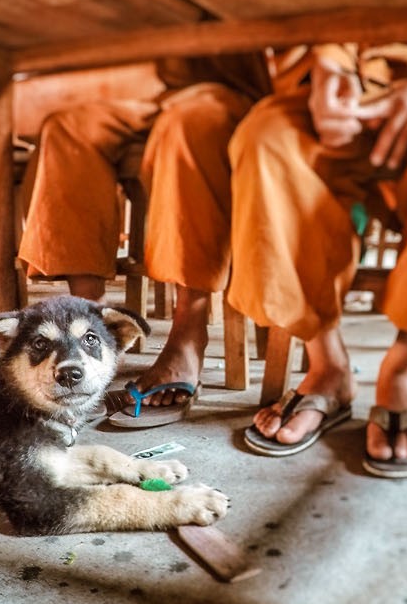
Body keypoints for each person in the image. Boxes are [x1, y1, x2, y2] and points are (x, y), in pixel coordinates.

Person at [230, 43, 407, 478]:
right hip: (355, 79)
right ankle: (327, 364)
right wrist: (327, 65)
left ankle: (402, 373)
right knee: (267, 136)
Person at [17, 52, 273, 426]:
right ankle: (91, 329)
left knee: (188, 124)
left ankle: (188, 335)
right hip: (152, 87)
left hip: (228, 83)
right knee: (66, 127)